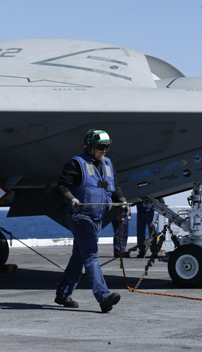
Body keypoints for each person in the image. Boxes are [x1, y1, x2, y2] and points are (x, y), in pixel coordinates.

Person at [56, 129, 128, 313]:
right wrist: (72, 199)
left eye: (107, 148)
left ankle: (63, 294)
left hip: (98, 218)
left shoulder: (108, 164)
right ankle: (103, 296)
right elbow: (63, 185)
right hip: (80, 217)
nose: (104, 151)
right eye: (101, 147)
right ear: (89, 146)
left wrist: (123, 202)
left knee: (78, 257)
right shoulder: (76, 163)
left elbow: (114, 187)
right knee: (91, 256)